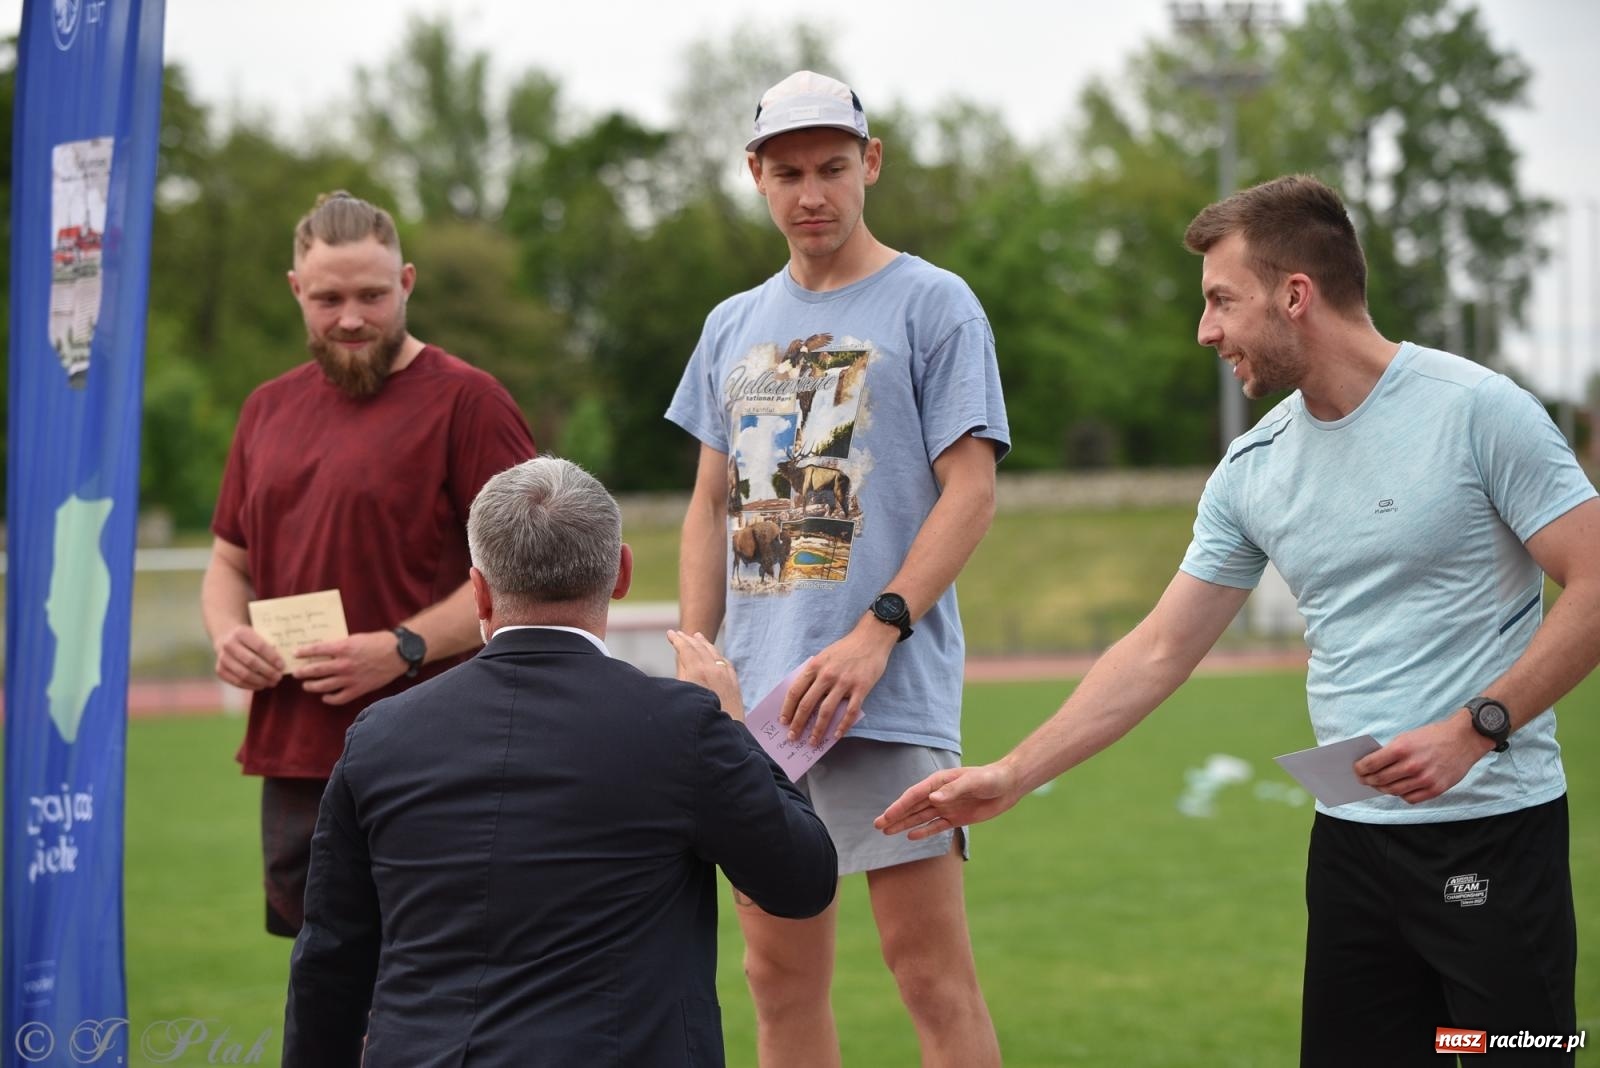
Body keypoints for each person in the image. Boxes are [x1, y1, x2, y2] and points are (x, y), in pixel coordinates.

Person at [877, 175, 1600, 1066]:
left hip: (1496, 841)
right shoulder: (1253, 469)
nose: (1205, 330)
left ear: (1295, 295)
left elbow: (1595, 582)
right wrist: (1014, 774)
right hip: (1351, 856)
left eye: (1222, 300)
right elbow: (1157, 649)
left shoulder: (1478, 411)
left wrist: (1477, 728)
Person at [665, 70, 1010, 1068]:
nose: (810, 191)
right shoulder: (730, 323)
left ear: (871, 164)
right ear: (755, 178)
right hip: (758, 709)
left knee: (930, 976)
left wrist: (877, 631)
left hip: (882, 698)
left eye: (830, 166)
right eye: (786, 172)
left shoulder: (934, 305)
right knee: (776, 984)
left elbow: (971, 492)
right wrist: (699, 655)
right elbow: (708, 502)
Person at [282, 456, 838, 1067]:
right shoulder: (683, 727)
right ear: (621, 572)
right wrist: (735, 724)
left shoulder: (381, 735)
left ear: (478, 591)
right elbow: (802, 880)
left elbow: (331, 958)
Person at [199, 191, 537, 938]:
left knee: (438, 993)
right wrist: (227, 633)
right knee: (326, 995)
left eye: (372, 295)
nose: (350, 317)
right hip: (297, 755)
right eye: (329, 298)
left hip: (436, 751)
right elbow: (229, 559)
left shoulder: (468, 403)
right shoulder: (264, 410)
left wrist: (402, 648)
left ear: (407, 283)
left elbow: (528, 572)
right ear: (296, 292)